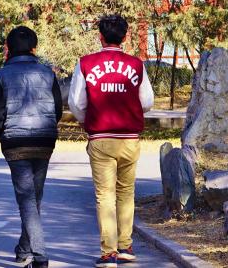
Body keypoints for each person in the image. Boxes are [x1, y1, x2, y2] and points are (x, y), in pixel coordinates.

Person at [68, 14, 154, 268]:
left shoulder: (86, 63)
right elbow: (147, 101)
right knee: (126, 192)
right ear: (126, 36)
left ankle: (108, 253)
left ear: (100, 36)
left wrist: (87, 121)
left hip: (101, 137)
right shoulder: (136, 65)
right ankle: (125, 246)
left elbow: (76, 102)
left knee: (104, 195)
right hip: (129, 138)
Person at [0, 26, 62, 268]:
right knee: (33, 198)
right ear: (34, 48)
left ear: (8, 48)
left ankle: (39, 256)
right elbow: (58, 110)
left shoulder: (0, 75)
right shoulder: (48, 74)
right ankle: (23, 249)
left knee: (28, 200)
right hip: (44, 140)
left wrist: (2, 134)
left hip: (15, 143)